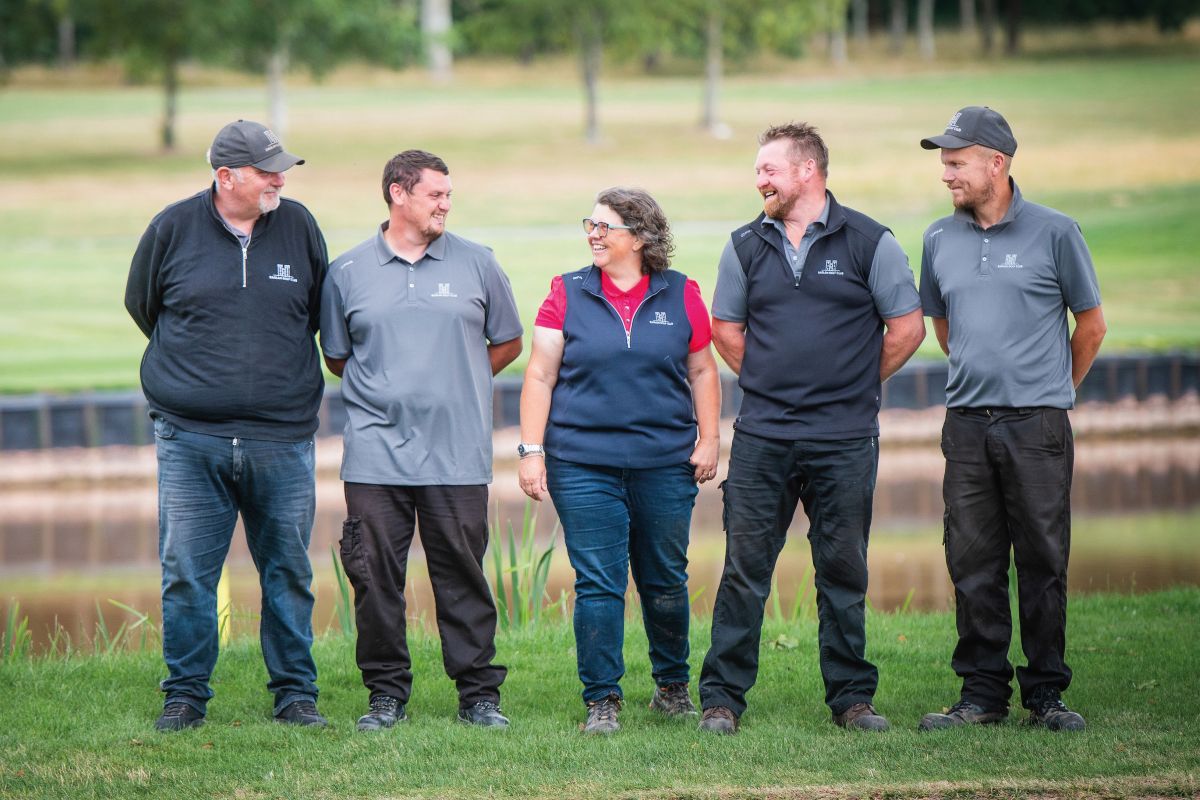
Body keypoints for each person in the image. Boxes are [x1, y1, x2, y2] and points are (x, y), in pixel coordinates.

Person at [697, 122, 926, 735]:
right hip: (764, 436)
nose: (759, 180)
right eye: (757, 171)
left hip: (845, 438)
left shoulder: (869, 242)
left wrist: (850, 384)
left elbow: (906, 328)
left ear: (808, 171)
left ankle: (852, 700)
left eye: (769, 169)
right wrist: (774, 383)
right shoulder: (744, 244)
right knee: (745, 568)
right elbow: (726, 330)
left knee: (843, 568)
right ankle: (721, 699)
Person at [125, 120, 329, 731]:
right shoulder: (172, 228)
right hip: (191, 438)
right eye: (268, 171)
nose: (280, 179)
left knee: (288, 571)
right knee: (187, 572)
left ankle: (295, 695)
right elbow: (145, 306)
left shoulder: (298, 226)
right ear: (226, 176)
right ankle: (184, 696)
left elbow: (319, 314)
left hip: (283, 437)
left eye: (282, 168)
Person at [915, 106, 1106, 733]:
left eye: (956, 162)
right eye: (943, 163)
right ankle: (982, 695)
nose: (946, 174)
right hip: (967, 423)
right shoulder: (939, 238)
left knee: (1044, 559)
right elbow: (945, 328)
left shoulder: (1056, 232)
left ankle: (1047, 693)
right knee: (971, 559)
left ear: (997, 162)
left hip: (1037, 425)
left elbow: (1092, 325)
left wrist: (1053, 390)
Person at [321, 150, 523, 732]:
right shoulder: (348, 271)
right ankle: (385, 695)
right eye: (435, 194)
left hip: (458, 451)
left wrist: (456, 378)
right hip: (375, 453)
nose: (446, 204)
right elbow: (337, 355)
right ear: (397, 194)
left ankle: (478, 696)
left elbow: (507, 342)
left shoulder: (478, 263)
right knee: (374, 576)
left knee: (461, 572)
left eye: (448, 194)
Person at [518, 187, 721, 735]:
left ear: (641, 237)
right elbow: (539, 374)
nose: (593, 234)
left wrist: (710, 438)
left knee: (663, 579)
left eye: (605, 226)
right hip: (581, 463)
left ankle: (672, 688)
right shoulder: (564, 292)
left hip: (665, 462)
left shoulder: (682, 293)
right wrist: (532, 451)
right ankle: (602, 700)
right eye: (590, 224)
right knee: (599, 583)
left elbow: (703, 370)